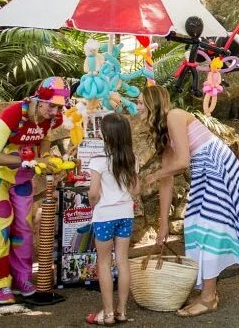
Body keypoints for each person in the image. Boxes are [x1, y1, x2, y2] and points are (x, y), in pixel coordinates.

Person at [140, 85, 239, 318]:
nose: (137, 108)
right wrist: (163, 224)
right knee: (195, 225)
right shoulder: (164, 133)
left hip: (218, 168)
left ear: (151, 103)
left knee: (209, 226)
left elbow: (183, 161)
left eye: (140, 102)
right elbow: (167, 180)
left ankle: (208, 298)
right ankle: (209, 293)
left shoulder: (174, 116)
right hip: (204, 172)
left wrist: (153, 175)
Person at [0, 77, 69, 304]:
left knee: (24, 227)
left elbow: (44, 136)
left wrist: (45, 156)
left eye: (60, 107)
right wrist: (30, 162)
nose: (55, 111)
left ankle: (22, 279)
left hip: (19, 175)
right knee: (1, 219)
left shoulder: (51, 118)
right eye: (52, 105)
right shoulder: (13, 114)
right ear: (38, 100)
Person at [86, 113, 139, 325]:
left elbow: (93, 193)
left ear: (106, 135)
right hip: (126, 214)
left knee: (105, 263)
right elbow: (136, 189)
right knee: (123, 261)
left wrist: (93, 205)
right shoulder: (132, 159)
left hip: (104, 216)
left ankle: (108, 314)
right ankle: (122, 311)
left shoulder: (98, 160)